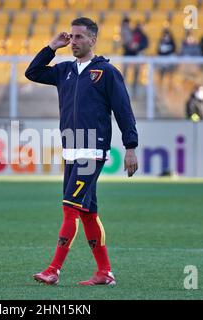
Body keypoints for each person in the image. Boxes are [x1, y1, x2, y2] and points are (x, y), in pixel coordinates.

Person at [25, 17, 138, 286]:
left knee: (70, 208)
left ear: (93, 40)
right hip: (72, 149)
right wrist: (52, 47)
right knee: (87, 212)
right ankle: (105, 272)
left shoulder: (105, 72)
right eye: (71, 37)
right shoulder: (64, 71)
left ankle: (53, 270)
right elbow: (33, 72)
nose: (73, 42)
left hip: (92, 149)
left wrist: (130, 147)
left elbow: (123, 110)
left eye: (79, 37)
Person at [123, 21, 149, 95]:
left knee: (136, 73)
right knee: (125, 72)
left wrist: (138, 46)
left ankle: (134, 89)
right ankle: (123, 87)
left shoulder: (143, 36)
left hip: (137, 56)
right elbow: (125, 44)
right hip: (128, 55)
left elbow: (145, 45)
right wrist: (130, 46)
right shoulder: (131, 34)